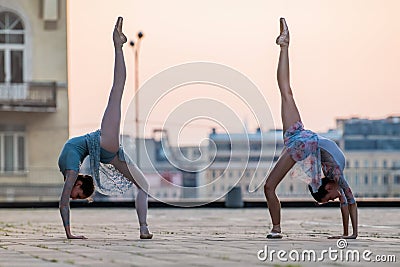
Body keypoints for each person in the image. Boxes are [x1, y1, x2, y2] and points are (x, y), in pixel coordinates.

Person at [58, 17, 153, 240]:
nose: (73, 196)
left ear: (78, 183)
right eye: (78, 196)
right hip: (105, 149)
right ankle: (143, 228)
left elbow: (62, 203)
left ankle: (117, 45)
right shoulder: (68, 170)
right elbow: (64, 199)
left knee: (117, 90)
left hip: (103, 143)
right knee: (117, 91)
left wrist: (69, 234)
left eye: (77, 195)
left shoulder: (70, 172)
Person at [263, 18, 358, 239]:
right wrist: (350, 235)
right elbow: (350, 201)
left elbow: (346, 201)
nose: (334, 198)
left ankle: (284, 45)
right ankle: (284, 45)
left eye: (329, 200)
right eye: (330, 198)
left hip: (303, 138)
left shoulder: (331, 173)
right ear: (325, 188)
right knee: (285, 91)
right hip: (303, 140)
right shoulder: (335, 174)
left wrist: (348, 235)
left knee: (286, 92)